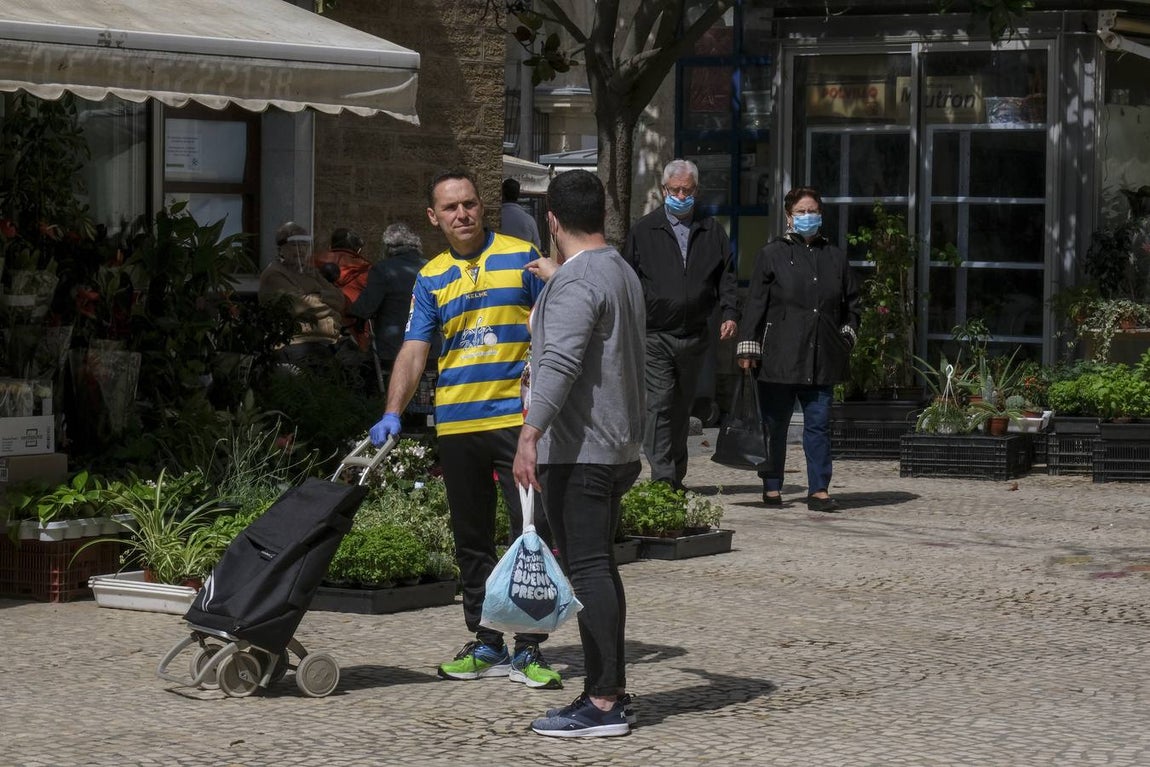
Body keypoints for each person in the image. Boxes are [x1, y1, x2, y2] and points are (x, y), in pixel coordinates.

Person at [368, 168, 560, 689]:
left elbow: (558, 317)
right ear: (434, 217)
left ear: (482, 206)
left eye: (470, 204)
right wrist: (393, 411)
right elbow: (414, 350)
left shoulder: (522, 256)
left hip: (515, 424)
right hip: (456, 425)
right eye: (450, 208)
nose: (462, 214)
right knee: (471, 541)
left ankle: (530, 648)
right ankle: (486, 641)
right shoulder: (429, 277)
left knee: (530, 536)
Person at [513, 169, 645, 738]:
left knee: (589, 572)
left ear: (552, 220)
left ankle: (604, 702)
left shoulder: (575, 283)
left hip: (582, 450)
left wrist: (529, 433)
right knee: (600, 570)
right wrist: (556, 279)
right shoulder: (619, 271)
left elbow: (562, 363)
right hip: (617, 446)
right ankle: (607, 690)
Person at [736, 186, 861, 512]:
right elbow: (755, 305)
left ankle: (819, 489)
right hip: (780, 355)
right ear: (789, 217)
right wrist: (748, 348)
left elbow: (853, 305)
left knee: (818, 425)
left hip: (822, 357)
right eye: (802, 212)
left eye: (814, 211)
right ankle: (772, 485)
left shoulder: (835, 256)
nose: (809, 217)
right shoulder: (771, 254)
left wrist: (845, 338)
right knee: (774, 425)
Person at [623, 158, 739, 490]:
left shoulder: (711, 230)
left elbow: (726, 278)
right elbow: (629, 279)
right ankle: (663, 478)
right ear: (664, 190)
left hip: (695, 334)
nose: (680, 195)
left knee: (680, 407)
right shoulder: (644, 230)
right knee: (658, 404)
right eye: (674, 190)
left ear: (696, 191)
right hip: (655, 334)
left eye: (686, 190)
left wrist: (730, 313)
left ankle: (675, 474)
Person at [258, 221, 348, 368]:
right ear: (281, 249)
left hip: (326, 342)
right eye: (295, 245)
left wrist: (317, 293)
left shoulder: (309, 271)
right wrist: (328, 305)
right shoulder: (275, 274)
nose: (300, 250)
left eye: (304, 245)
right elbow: (301, 306)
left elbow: (340, 300)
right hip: (295, 343)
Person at [349, 222, 433, 377]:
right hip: (431, 348)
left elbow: (365, 308)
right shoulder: (431, 268)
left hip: (394, 349)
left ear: (388, 247)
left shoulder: (383, 269)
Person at [316, 228, 372, 350]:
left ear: (331, 245)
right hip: (354, 331)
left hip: (318, 329)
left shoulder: (313, 263)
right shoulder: (366, 269)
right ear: (358, 249)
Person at [500, 177, 541, 249]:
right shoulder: (529, 220)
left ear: (502, 194)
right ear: (518, 195)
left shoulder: (495, 218)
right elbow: (537, 247)